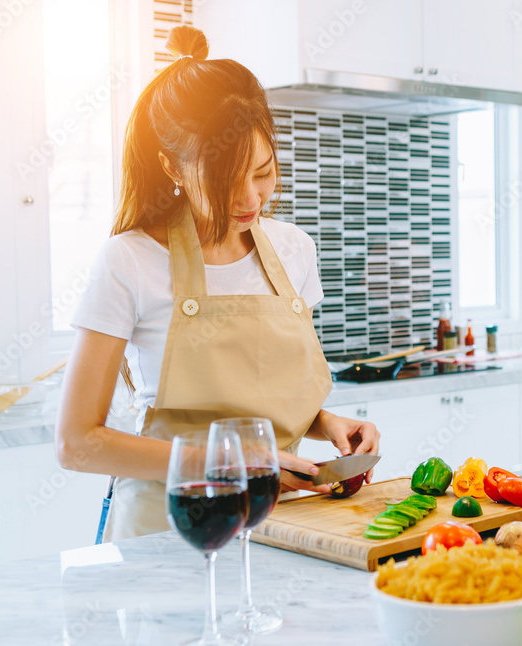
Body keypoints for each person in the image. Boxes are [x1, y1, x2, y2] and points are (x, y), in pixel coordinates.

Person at [55, 25, 380, 541]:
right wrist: (231, 460)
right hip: (172, 530)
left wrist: (327, 423)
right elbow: (76, 444)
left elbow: (261, 388)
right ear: (172, 168)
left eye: (264, 172)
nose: (251, 199)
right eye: (224, 182)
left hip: (283, 525)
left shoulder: (294, 249)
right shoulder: (128, 260)